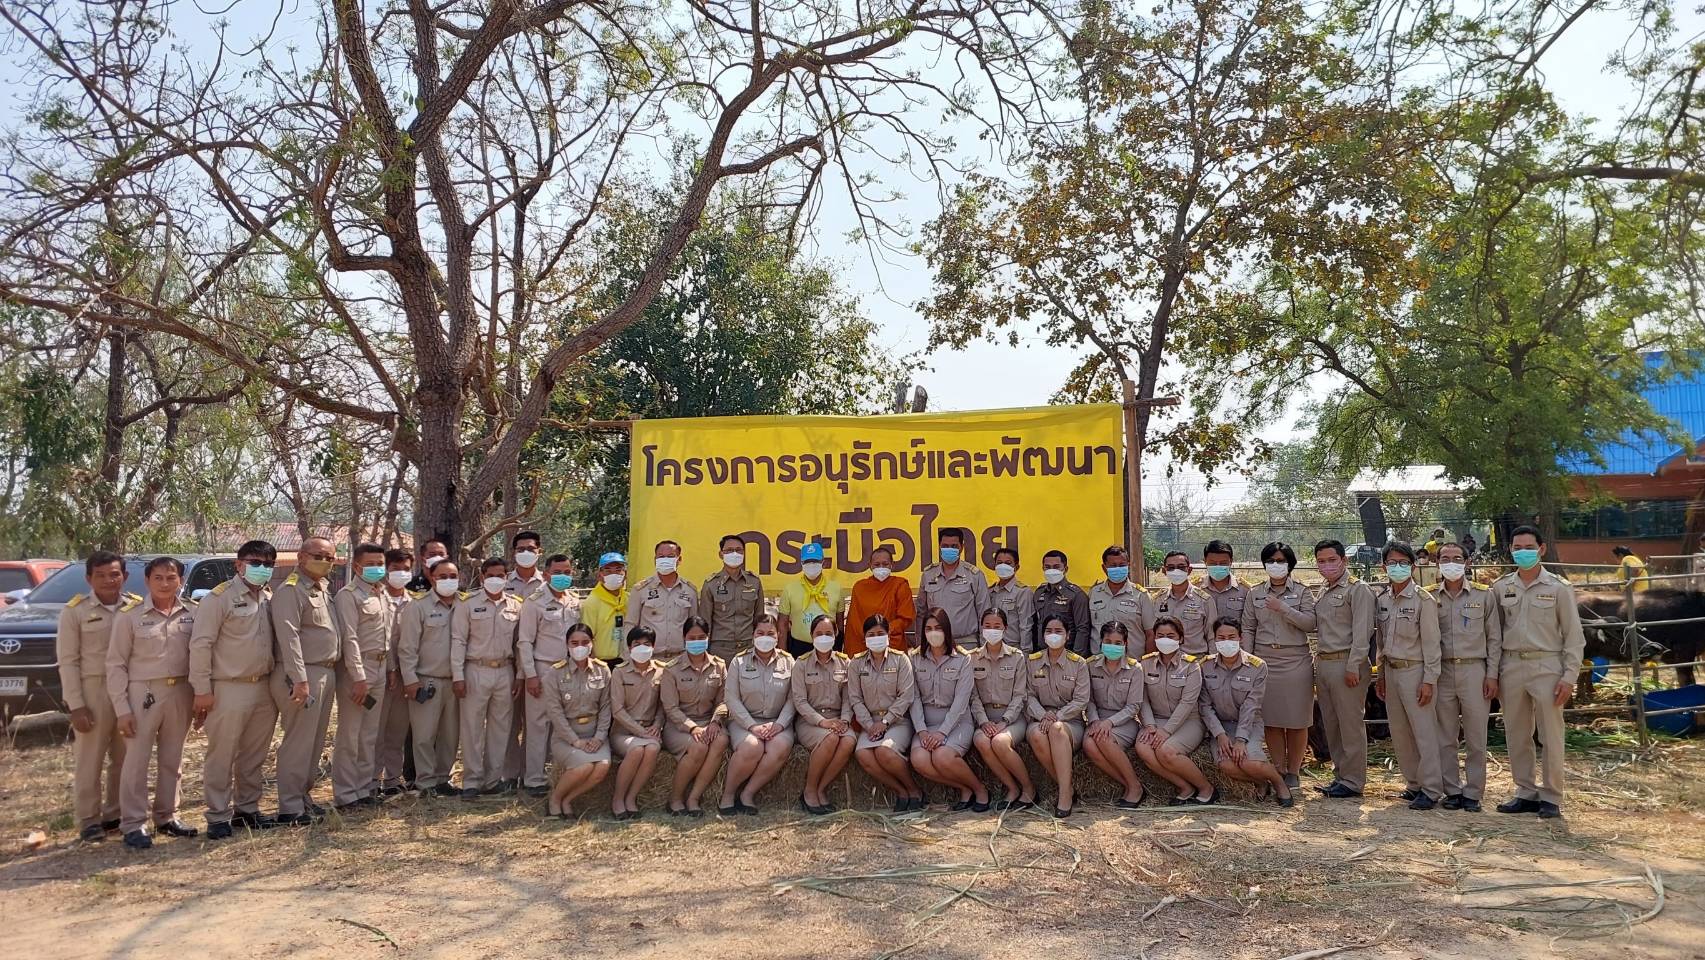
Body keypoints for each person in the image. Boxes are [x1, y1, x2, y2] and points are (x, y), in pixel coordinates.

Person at [106, 557, 199, 849]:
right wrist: (122, 709)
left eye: (171, 578)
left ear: (180, 581)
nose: (164, 583)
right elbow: (116, 665)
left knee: (173, 759)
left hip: (181, 691)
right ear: (146, 581)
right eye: (158, 578)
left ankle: (167, 815)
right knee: (136, 761)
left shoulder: (192, 613)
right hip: (142, 693)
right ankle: (133, 824)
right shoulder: (129, 616)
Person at [1494, 525, 1586, 819]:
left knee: (1550, 734)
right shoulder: (1502, 587)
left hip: (1547, 666)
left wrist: (1569, 676)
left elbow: (1574, 636)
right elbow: (1494, 634)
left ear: (1541, 549)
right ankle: (1525, 791)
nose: (1523, 552)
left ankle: (1551, 796)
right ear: (1510, 550)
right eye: (1517, 547)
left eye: (1528, 547)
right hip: (1510, 666)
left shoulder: (1559, 588)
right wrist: (1493, 673)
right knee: (1517, 733)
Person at [191, 540, 280, 837]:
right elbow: (201, 645)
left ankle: (247, 809)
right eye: (255, 562)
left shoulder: (268, 597)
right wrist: (202, 690)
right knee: (222, 754)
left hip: (264, 687)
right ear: (238, 565)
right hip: (229, 688)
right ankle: (217, 816)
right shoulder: (219, 599)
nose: (262, 568)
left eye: (268, 564)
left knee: (254, 754)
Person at [57, 550, 138, 842]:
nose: (108, 580)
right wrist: (76, 705)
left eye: (114, 574)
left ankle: (114, 814)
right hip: (94, 690)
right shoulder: (75, 611)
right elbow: (68, 661)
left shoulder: (134, 608)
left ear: (125, 577)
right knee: (89, 758)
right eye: (101, 575)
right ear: (89, 578)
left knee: (125, 756)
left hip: (130, 689)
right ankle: (89, 820)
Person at [269, 536, 349, 825]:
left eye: (330, 558)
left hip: (324, 672)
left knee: (314, 743)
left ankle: (303, 797)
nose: (325, 562)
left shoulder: (322, 590)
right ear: (301, 557)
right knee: (298, 743)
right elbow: (289, 638)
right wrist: (299, 680)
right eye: (318, 556)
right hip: (302, 675)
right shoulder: (290, 591)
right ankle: (289, 806)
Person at [1427, 541, 1501, 811]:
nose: (1451, 563)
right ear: (1437, 563)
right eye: (1444, 558)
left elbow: (1494, 639)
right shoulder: (1429, 596)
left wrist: (1492, 674)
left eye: (1457, 558)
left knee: (1475, 735)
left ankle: (1473, 792)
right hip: (1442, 671)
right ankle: (1452, 790)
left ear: (1468, 563)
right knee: (1445, 735)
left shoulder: (1484, 595)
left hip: (1475, 670)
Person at [1240, 541, 1317, 791]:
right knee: (1271, 720)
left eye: (1281, 561)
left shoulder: (1303, 592)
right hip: (1264, 660)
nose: (1275, 565)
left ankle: (1294, 771)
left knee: (1297, 720)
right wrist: (1248, 660)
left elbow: (1310, 624)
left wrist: (1283, 608)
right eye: (1271, 561)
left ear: (1290, 564)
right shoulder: (1255, 593)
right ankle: (1279, 768)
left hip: (1295, 660)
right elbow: (1249, 627)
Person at [1375, 542, 1445, 809]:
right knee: (1400, 731)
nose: (1398, 567)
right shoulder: (1381, 600)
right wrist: (1380, 675)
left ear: (1413, 567)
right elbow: (1381, 642)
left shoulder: (1424, 601)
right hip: (1391, 672)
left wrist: (1429, 680)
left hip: (1415, 672)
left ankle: (1431, 788)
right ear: (1384, 567)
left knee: (1424, 732)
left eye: (1404, 563)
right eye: (1392, 563)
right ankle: (1413, 783)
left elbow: (1431, 644)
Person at [330, 543, 396, 812]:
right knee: (351, 733)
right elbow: (350, 638)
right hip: (359, 671)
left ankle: (365, 787)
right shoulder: (349, 596)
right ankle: (346, 794)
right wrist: (358, 677)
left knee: (370, 734)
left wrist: (390, 669)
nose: (376, 568)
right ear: (357, 566)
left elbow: (387, 636)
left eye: (380, 563)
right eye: (370, 564)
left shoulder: (381, 593)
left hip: (380, 668)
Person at [1200, 618, 1292, 806]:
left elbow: (1251, 706)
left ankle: (1278, 782)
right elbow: (1205, 706)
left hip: (1248, 724)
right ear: (1215, 640)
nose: (1226, 642)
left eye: (1231, 637)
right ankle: (1260, 782)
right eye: (1221, 638)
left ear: (1240, 638)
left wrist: (1241, 740)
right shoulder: (1205, 665)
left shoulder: (1258, 666)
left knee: (1248, 761)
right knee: (1226, 765)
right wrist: (1220, 735)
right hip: (1221, 726)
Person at [451, 558, 523, 799]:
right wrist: (458, 675)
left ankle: (493, 780)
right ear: (482, 578)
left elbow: (519, 644)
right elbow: (459, 641)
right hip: (475, 669)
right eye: (490, 575)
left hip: (505, 670)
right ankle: (471, 781)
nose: (496, 579)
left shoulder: (515, 605)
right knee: (472, 728)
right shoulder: (467, 604)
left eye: (501, 574)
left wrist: (520, 675)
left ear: (506, 577)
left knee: (500, 728)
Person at [1311, 539, 1374, 800]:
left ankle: (1353, 780)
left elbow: (1363, 633)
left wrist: (1354, 666)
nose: (1327, 566)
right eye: (1321, 561)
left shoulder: (1358, 590)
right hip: (1325, 663)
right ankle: (1340, 775)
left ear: (1344, 560)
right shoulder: (1324, 591)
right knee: (1332, 724)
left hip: (1347, 662)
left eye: (1331, 560)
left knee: (1350, 725)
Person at [909, 608, 987, 811]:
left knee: (942, 756)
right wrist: (922, 730)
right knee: (919, 760)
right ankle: (964, 788)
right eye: (928, 628)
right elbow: (914, 697)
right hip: (926, 722)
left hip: (957, 721)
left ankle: (980, 790)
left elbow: (962, 701)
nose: (933, 633)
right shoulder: (915, 658)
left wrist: (942, 731)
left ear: (947, 630)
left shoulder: (963, 658)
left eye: (938, 628)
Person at [719, 613, 797, 815]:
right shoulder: (739, 661)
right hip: (745, 722)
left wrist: (779, 725)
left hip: (777, 722)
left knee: (780, 746)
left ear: (779, 635)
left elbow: (793, 698)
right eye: (760, 633)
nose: (765, 637)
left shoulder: (789, 662)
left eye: (770, 633)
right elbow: (731, 699)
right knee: (751, 747)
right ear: (753, 635)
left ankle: (748, 794)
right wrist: (752, 726)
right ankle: (728, 794)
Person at [518, 554, 581, 797]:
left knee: (562, 725)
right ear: (545, 574)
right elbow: (524, 642)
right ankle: (534, 779)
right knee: (537, 725)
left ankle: (557, 774)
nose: (563, 576)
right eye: (557, 572)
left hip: (569, 669)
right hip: (542, 668)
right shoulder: (534, 602)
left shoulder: (575, 601)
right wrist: (530, 675)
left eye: (567, 571)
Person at [397, 560, 462, 796]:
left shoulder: (465, 605)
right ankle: (425, 782)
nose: (448, 580)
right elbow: (407, 647)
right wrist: (410, 680)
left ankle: (444, 779)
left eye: (452, 575)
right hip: (427, 680)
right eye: (442, 575)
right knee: (424, 735)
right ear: (432, 578)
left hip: (456, 681)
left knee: (450, 734)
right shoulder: (418, 607)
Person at [1135, 615, 1214, 804]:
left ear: (1181, 638)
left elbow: (1187, 703)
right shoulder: (1145, 663)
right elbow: (1142, 699)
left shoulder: (1191, 665)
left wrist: (1165, 731)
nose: (1165, 640)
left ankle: (1206, 788)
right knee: (1143, 748)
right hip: (1156, 720)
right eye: (1160, 635)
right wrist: (1150, 725)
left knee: (1167, 751)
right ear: (1154, 638)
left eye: (1171, 635)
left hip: (1189, 721)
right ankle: (1184, 786)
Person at [849, 614, 922, 811]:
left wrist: (886, 722)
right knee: (863, 754)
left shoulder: (901, 660)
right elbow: (855, 698)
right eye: (871, 634)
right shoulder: (856, 664)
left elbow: (906, 696)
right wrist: (869, 725)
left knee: (885, 751)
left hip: (897, 721)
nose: (876, 637)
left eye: (880, 633)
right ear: (864, 638)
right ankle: (900, 790)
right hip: (870, 723)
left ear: (888, 635)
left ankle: (913, 789)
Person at [1025, 610, 1091, 818]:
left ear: (1068, 635)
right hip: (1040, 719)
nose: (1053, 635)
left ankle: (1063, 795)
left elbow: (1081, 700)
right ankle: (1068, 787)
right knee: (1037, 735)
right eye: (1049, 631)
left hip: (1070, 723)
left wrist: (1057, 716)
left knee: (1056, 730)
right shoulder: (1032, 661)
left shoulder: (1078, 663)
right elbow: (1027, 695)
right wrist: (1043, 715)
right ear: (1043, 635)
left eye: (1058, 631)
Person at [660, 617, 728, 816]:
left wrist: (716, 721)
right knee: (698, 747)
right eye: (692, 637)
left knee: (721, 740)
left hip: (709, 721)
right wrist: (692, 728)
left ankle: (694, 798)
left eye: (701, 637)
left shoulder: (719, 666)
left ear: (708, 638)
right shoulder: (671, 669)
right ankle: (675, 798)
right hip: (679, 726)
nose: (697, 641)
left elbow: (723, 701)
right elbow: (670, 708)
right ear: (684, 639)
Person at [544, 623, 611, 819]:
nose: (580, 647)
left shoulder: (603, 670)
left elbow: (606, 707)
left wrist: (599, 737)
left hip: (595, 734)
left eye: (585, 642)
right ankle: (555, 800)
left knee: (602, 766)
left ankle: (567, 799)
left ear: (592, 644)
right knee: (584, 766)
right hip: (566, 737)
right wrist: (575, 741)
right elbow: (555, 713)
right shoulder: (554, 673)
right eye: (574, 643)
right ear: (567, 645)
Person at [791, 614, 857, 814]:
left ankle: (820, 789)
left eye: (828, 633)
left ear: (836, 635)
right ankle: (809, 790)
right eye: (819, 633)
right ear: (811, 636)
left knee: (848, 741)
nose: (824, 637)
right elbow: (800, 701)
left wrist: (845, 720)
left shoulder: (846, 663)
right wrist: (823, 723)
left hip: (839, 719)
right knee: (829, 739)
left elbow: (849, 697)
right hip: (810, 722)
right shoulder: (801, 664)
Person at [972, 611, 1036, 809]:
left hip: (1011, 718)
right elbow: (973, 696)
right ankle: (1012, 788)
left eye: (997, 626)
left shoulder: (1016, 657)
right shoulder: (972, 658)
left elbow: (1020, 695)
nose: (992, 630)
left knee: (1000, 742)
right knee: (982, 741)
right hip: (985, 718)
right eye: (988, 626)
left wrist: (1004, 722)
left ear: (1005, 629)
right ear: (981, 628)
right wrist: (984, 722)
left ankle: (1028, 788)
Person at [1082, 621, 1146, 808]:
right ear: (1101, 642)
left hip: (1124, 721)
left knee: (1102, 740)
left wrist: (1109, 723)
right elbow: (1089, 700)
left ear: (1125, 644)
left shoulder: (1135, 669)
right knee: (1088, 744)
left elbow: (1134, 706)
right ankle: (1129, 784)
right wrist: (1094, 721)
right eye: (1108, 641)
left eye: (1118, 642)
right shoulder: (1090, 665)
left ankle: (1134, 786)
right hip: (1097, 719)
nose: (1113, 646)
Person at [609, 625, 664, 819]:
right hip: (623, 731)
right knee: (636, 750)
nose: (642, 648)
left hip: (650, 731)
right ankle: (618, 798)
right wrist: (640, 731)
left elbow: (663, 706)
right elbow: (617, 710)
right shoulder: (619, 672)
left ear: (654, 646)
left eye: (646, 644)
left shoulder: (662, 671)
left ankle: (631, 798)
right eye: (637, 644)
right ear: (629, 648)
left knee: (652, 749)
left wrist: (657, 726)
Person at [375, 547, 416, 796]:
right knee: (375, 729)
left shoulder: (415, 602)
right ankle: (371, 779)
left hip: (406, 675)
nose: (401, 573)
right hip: (379, 672)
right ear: (385, 571)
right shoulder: (376, 598)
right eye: (395, 569)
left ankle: (392, 779)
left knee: (397, 730)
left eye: (406, 569)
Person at [914, 528, 991, 647]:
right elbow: (921, 612)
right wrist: (920, 645)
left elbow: (984, 613)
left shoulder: (974, 576)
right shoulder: (928, 575)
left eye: (954, 546)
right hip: (935, 644)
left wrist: (984, 648)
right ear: (939, 546)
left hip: (967, 643)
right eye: (945, 546)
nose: (949, 549)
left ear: (962, 547)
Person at [626, 540, 700, 659]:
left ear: (679, 560)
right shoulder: (640, 590)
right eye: (661, 556)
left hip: (680, 658)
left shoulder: (690, 590)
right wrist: (628, 657)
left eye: (670, 556)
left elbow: (694, 627)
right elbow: (630, 625)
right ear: (655, 560)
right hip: (649, 658)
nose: (665, 559)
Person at [700, 534, 765, 660]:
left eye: (738, 550)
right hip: (720, 649)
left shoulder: (754, 582)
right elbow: (705, 622)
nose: (734, 554)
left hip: (748, 647)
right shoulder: (711, 584)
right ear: (721, 554)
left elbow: (759, 618)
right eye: (729, 550)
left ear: (744, 554)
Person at [778, 542, 848, 657]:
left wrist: (838, 649)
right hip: (799, 647)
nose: (811, 564)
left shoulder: (836, 588)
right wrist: (783, 654)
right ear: (801, 564)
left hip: (829, 645)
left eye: (815, 561)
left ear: (823, 563)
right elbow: (783, 624)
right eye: (807, 562)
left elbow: (840, 623)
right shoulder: (790, 589)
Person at [846, 544, 914, 654]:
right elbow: (854, 623)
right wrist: (870, 636)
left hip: (891, 642)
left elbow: (905, 618)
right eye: (877, 564)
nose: (881, 567)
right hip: (863, 643)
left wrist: (883, 633)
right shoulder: (859, 587)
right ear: (870, 566)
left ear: (892, 565)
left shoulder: (900, 585)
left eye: (885, 564)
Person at [1152, 551, 1218, 656]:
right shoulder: (1157, 600)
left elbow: (1212, 636)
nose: (1176, 571)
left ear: (1189, 570)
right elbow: (1152, 634)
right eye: (1171, 567)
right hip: (1166, 661)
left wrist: (1213, 661)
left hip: (1196, 660)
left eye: (1181, 567)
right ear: (1164, 571)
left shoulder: (1204, 600)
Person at [1089, 546, 1151, 648]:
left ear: (1128, 565)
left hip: (1132, 660)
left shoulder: (1141, 595)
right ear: (1104, 568)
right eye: (1113, 566)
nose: (1118, 568)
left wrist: (1147, 662)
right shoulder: (1094, 593)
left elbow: (1150, 633)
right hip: (1099, 660)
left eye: (1122, 565)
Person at [1032, 549, 1091, 655]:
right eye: (1047, 567)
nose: (1051, 570)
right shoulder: (1039, 593)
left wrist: (1077, 658)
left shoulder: (1076, 595)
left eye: (1056, 567)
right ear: (1043, 568)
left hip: (1068, 654)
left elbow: (1082, 629)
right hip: (1042, 654)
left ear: (1065, 569)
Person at [582, 552, 628, 662]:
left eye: (618, 570)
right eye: (608, 570)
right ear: (599, 575)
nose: (613, 574)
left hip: (626, 660)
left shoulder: (629, 600)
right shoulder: (592, 602)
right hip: (601, 662)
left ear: (625, 574)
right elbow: (586, 636)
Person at [987, 548, 1034, 655]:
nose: (1003, 566)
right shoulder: (990, 592)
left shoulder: (1023, 592)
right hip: (992, 648)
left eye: (1008, 563)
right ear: (995, 566)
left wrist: (1025, 653)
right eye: (999, 563)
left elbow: (1026, 626)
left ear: (1016, 567)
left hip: (1014, 649)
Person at [1202, 540, 1249, 628]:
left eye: (1223, 563)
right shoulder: (1196, 590)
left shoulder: (1245, 590)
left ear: (1231, 561)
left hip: (1234, 641)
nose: (1218, 566)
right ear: (1205, 561)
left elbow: (1249, 625)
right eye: (1213, 563)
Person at [506, 530, 546, 600]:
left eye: (531, 549)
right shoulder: (503, 582)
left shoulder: (547, 581)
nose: (526, 552)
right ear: (514, 552)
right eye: (521, 549)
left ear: (539, 551)